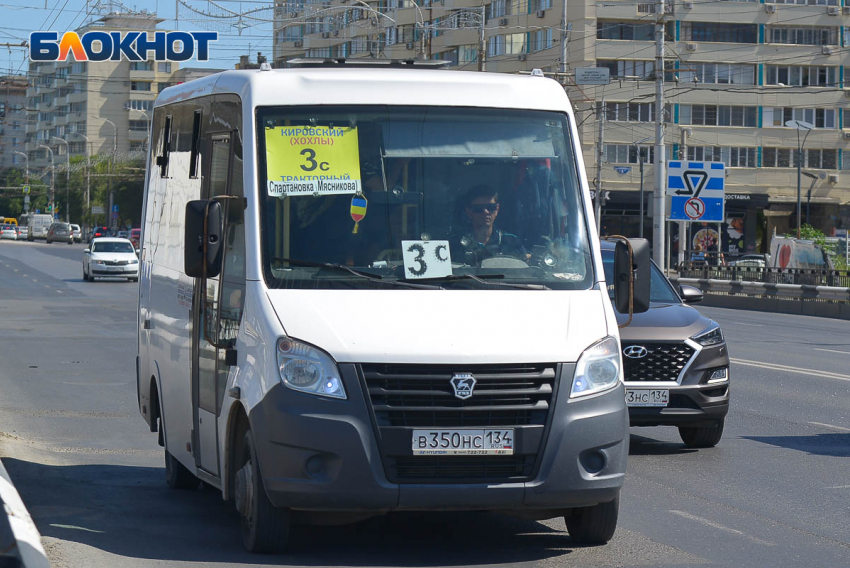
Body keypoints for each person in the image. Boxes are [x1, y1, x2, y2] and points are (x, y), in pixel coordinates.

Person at [453, 184, 528, 265]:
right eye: (478, 209)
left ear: (497, 209)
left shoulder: (512, 242)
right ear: (469, 211)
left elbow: (526, 268)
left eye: (491, 207)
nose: (486, 212)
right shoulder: (455, 243)